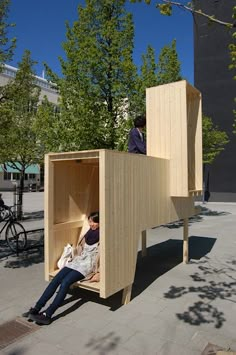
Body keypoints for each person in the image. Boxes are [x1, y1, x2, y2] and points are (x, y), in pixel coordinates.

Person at [22, 211, 100, 325]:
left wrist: (99, 273)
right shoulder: (89, 231)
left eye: (94, 222)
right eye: (90, 221)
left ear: (100, 222)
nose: (91, 224)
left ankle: (48, 314)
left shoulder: (103, 234)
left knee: (65, 283)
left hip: (88, 265)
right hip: (78, 261)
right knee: (56, 280)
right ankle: (37, 308)